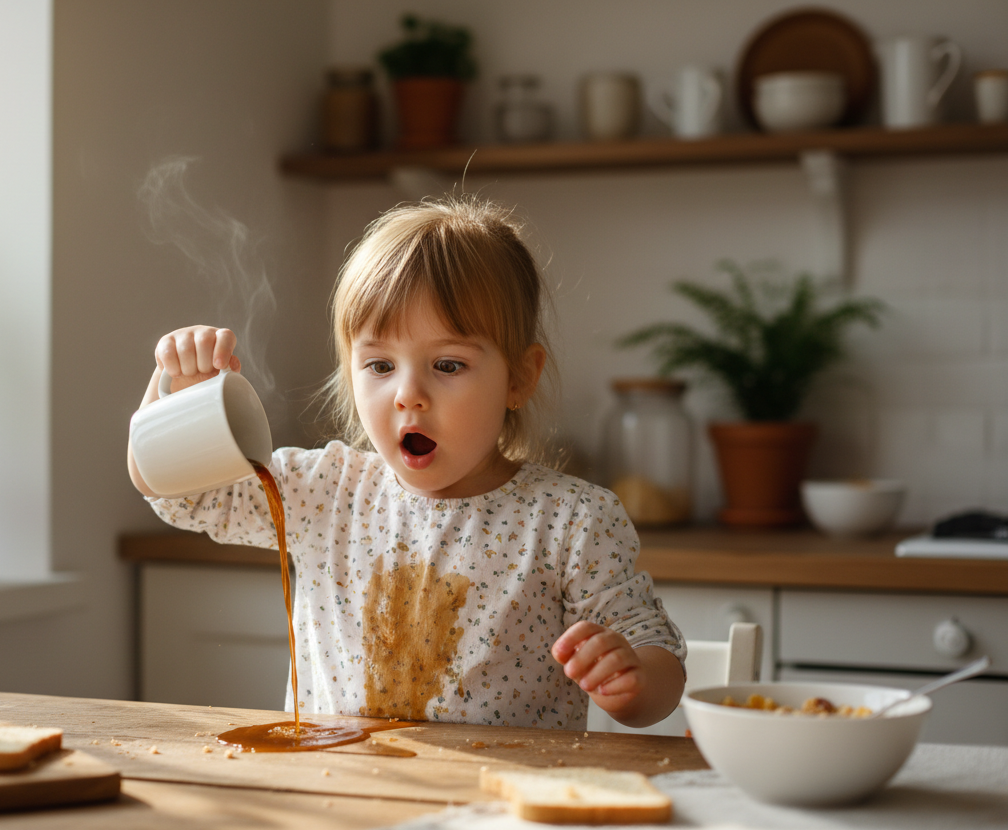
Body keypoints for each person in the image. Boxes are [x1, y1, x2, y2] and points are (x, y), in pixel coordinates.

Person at [127, 195, 685, 730]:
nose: (408, 394)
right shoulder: (323, 489)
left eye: (447, 364)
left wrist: (631, 682)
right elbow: (182, 496)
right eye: (378, 365)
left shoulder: (572, 521)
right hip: (341, 798)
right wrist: (182, 407)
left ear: (519, 376)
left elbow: (654, 662)